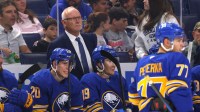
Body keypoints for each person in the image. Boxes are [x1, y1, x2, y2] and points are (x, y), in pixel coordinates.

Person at [129, 23, 193, 112]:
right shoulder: (177, 58)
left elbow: (133, 95)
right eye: (179, 40)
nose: (182, 44)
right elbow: (179, 92)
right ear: (167, 42)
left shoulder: (142, 62)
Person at [8, 48, 83, 111]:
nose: (68, 67)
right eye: (65, 63)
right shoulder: (41, 80)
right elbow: (39, 111)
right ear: (54, 64)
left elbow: (77, 109)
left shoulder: (74, 81)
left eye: (70, 63)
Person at [81, 45, 136, 112]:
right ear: (99, 64)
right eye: (109, 61)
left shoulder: (119, 78)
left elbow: (128, 104)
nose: (114, 65)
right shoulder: (89, 80)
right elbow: (92, 109)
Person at [47, 6, 97, 80]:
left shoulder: (91, 38)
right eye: (73, 19)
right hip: (71, 87)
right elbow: (52, 71)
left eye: (79, 17)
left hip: (94, 85)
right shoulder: (56, 44)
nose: (78, 21)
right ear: (64, 23)